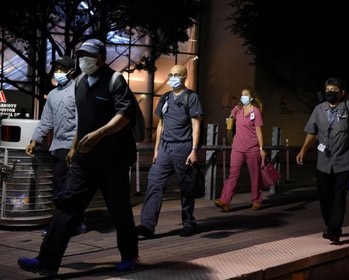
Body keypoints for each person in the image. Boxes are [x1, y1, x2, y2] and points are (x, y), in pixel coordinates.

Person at [17, 38, 139, 277]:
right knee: (66, 206)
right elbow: (81, 121)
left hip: (113, 160)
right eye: (81, 55)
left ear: (101, 58)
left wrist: (99, 134)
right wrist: (74, 146)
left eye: (89, 56)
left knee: (119, 210)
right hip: (85, 158)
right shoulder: (80, 82)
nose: (83, 60)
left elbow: (125, 115)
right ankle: (46, 262)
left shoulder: (115, 81)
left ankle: (129, 256)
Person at [296, 77, 349, 244]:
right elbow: (311, 132)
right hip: (324, 162)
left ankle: (334, 230)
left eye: (334, 91)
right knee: (324, 196)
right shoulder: (319, 109)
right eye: (327, 90)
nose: (330, 93)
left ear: (342, 93)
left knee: (338, 195)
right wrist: (303, 150)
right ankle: (331, 226)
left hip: (345, 160)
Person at [136, 64, 203, 238]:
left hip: (184, 148)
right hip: (165, 148)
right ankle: (147, 225)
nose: (172, 78)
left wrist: (194, 150)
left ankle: (188, 223)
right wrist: (156, 150)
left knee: (186, 187)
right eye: (170, 74)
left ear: (185, 77)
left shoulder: (191, 97)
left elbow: (196, 125)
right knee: (154, 182)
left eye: (177, 75)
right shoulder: (165, 97)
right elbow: (161, 125)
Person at [25, 55, 87, 237]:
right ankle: (68, 223)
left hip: (74, 145)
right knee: (60, 188)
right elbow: (47, 120)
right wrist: (34, 140)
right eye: (56, 68)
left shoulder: (78, 90)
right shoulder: (52, 94)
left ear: (71, 70)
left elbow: (82, 120)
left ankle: (73, 224)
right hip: (58, 146)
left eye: (61, 68)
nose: (57, 71)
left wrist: (75, 147)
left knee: (72, 186)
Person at [214, 87, 267, 212]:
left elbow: (259, 131)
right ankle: (225, 201)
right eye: (242, 94)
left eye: (246, 95)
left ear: (251, 98)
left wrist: (261, 148)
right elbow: (229, 123)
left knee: (255, 175)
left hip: (253, 148)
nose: (243, 96)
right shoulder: (237, 109)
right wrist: (229, 122)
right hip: (237, 147)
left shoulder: (256, 111)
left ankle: (257, 200)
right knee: (233, 174)